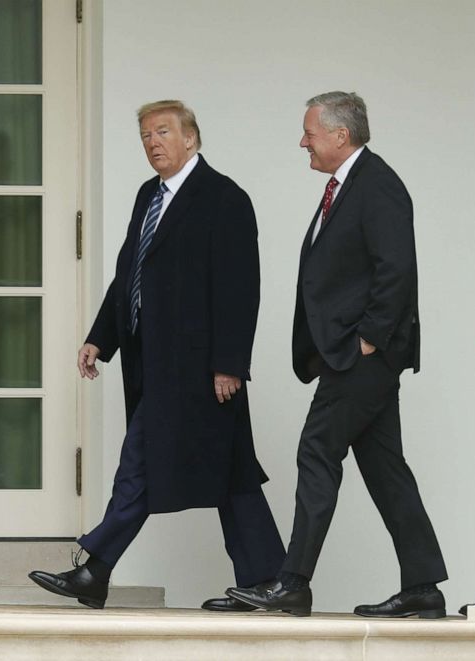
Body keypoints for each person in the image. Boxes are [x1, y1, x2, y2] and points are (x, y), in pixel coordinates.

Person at [28, 100, 285, 610]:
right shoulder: (149, 195)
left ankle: (96, 569)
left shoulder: (224, 197)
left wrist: (230, 363)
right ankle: (268, 580)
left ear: (191, 138)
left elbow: (240, 288)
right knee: (229, 471)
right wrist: (100, 338)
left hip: (202, 368)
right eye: (145, 135)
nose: (152, 142)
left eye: (163, 131)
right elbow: (131, 275)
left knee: (144, 462)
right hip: (155, 363)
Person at [228, 92, 448, 618]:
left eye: (309, 132)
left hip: (363, 358)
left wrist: (368, 338)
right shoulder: (348, 186)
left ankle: (293, 582)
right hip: (353, 355)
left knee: (316, 451)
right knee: (385, 468)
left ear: (340, 135)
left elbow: (397, 268)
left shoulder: (378, 186)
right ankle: (423, 586)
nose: (302, 141)